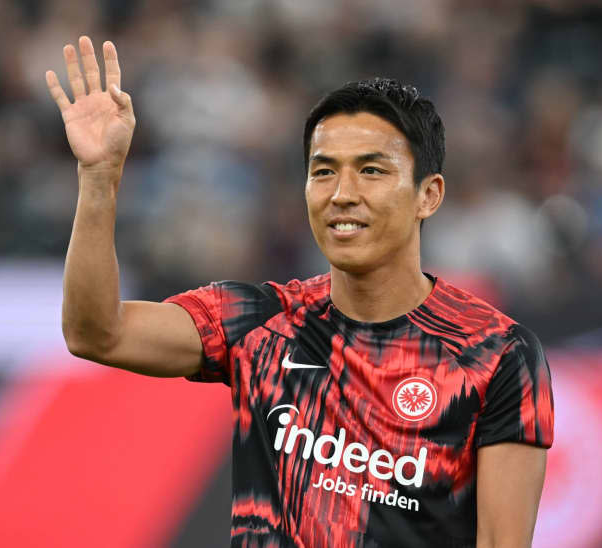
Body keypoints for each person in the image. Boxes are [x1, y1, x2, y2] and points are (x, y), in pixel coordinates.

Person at [47, 35, 554, 548]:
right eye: (323, 171)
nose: (342, 194)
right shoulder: (259, 321)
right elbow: (96, 333)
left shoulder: (497, 354)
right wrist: (99, 177)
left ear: (429, 195)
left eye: (372, 171)